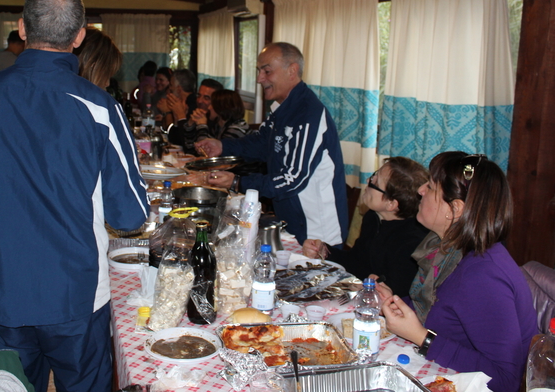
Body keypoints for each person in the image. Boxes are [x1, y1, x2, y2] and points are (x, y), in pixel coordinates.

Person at [0, 0, 149, 392]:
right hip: (76, 299)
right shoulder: (100, 107)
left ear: (22, 29)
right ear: (80, 37)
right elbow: (131, 214)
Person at [376, 152, 537, 392]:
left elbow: (506, 379)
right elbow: (440, 309)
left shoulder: (483, 275)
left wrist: (422, 338)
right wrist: (393, 303)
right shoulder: (447, 251)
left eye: (430, 186)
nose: (420, 190)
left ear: (455, 209)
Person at [198, 42, 348, 246]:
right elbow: (261, 143)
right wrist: (223, 147)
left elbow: (291, 179)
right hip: (291, 221)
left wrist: (238, 183)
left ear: (292, 70)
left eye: (267, 71)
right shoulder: (281, 109)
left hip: (315, 232)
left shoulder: (308, 115)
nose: (260, 78)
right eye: (259, 71)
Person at [302, 157, 430, 297]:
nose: (369, 181)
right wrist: (324, 252)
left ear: (391, 204)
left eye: (376, 182)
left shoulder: (411, 242)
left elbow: (396, 293)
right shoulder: (373, 218)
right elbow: (357, 262)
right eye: (374, 174)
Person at [183, 89, 249, 152]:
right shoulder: (218, 125)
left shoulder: (236, 129)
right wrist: (190, 125)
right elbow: (191, 149)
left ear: (221, 108)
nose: (209, 108)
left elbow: (205, 151)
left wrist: (202, 126)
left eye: (212, 104)